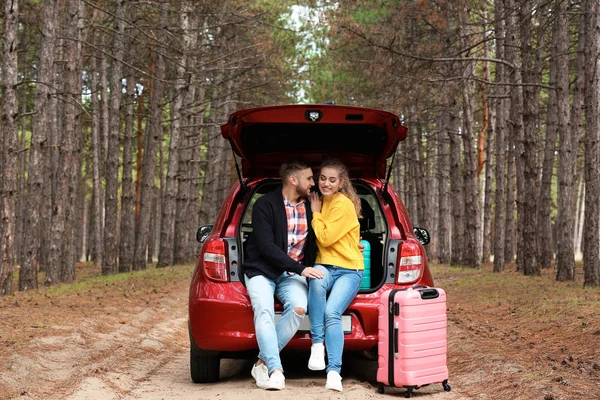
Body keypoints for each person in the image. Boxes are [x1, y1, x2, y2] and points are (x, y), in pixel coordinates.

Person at [243, 158, 325, 391]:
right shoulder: (265, 205)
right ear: (293, 179)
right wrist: (301, 269)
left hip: (291, 274)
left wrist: (352, 245)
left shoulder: (311, 206)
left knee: (299, 307)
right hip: (261, 270)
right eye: (309, 178)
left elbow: (326, 234)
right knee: (264, 310)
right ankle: (276, 370)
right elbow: (267, 247)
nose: (313, 183)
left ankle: (261, 362)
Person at [307, 159, 364, 392]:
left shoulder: (343, 204)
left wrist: (315, 214)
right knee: (316, 279)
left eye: (332, 180)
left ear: (341, 182)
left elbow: (326, 238)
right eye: (322, 178)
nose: (326, 184)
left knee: (332, 312)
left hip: (349, 269)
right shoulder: (318, 199)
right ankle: (317, 345)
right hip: (325, 265)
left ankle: (334, 372)